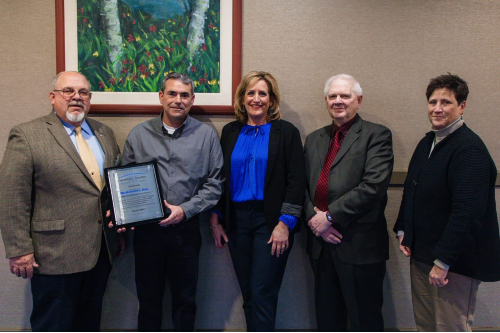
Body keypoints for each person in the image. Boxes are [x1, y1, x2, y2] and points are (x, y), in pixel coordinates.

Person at [0, 71, 123, 331]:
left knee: (89, 322)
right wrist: (19, 249)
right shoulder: (27, 135)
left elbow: (111, 187)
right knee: (53, 324)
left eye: (83, 93)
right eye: (69, 91)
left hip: (100, 251)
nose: (76, 97)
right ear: (52, 97)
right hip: (54, 254)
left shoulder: (104, 133)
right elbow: (12, 197)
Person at [394, 73, 500, 332]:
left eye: (446, 102)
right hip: (422, 255)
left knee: (450, 327)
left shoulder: (469, 149)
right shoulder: (428, 141)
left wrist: (443, 262)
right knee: (426, 325)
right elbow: (412, 190)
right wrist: (403, 229)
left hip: (453, 263)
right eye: (432, 102)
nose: (437, 108)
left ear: (462, 106)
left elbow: (469, 214)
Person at [120, 72, 223, 331]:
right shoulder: (138, 134)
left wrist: (184, 210)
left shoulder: (207, 136)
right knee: (148, 301)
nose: (178, 100)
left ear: (192, 99)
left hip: (186, 232)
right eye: (172, 94)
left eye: (184, 95)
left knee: (185, 301)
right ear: (161, 97)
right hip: (147, 233)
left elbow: (215, 185)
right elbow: (125, 181)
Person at [210, 71, 305, 331]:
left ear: (272, 100)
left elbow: (297, 181)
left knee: (263, 292)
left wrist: (285, 223)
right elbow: (221, 177)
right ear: (242, 99)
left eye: (262, 93)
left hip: (271, 222)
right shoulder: (230, 131)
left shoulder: (286, 132)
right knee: (249, 294)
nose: (256, 99)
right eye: (250, 93)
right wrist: (216, 221)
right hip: (236, 221)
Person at [303, 74, 394, 331]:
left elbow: (373, 187)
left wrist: (329, 217)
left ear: (359, 100)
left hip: (359, 246)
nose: (338, 101)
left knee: (364, 320)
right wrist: (314, 218)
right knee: (327, 319)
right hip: (320, 245)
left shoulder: (376, 135)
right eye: (333, 96)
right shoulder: (313, 139)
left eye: (345, 96)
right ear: (326, 101)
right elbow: (301, 186)